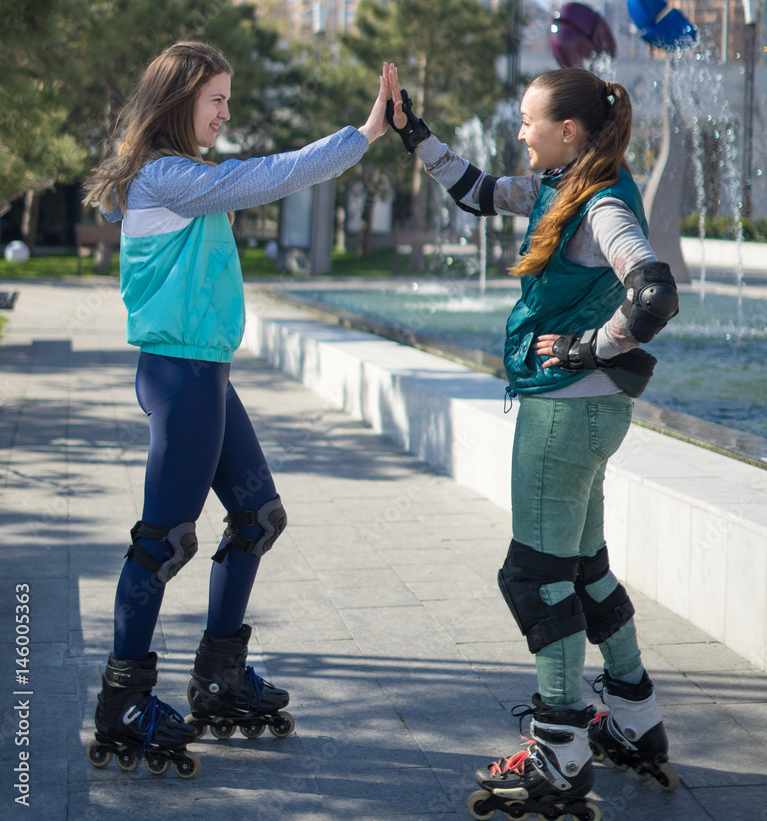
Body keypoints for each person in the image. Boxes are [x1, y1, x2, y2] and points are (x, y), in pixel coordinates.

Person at [82, 41, 392, 777]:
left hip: (204, 376)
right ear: (179, 100)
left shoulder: (181, 176)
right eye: (216, 98)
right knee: (163, 543)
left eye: (227, 98)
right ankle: (123, 702)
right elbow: (274, 174)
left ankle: (218, 678)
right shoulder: (167, 177)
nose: (226, 112)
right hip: (180, 376)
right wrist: (364, 133)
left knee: (257, 519)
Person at [386, 66, 680, 817]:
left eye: (528, 120)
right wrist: (413, 134)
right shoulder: (558, 186)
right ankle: (635, 717)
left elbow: (653, 291)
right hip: (586, 414)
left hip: (564, 413)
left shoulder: (601, 201)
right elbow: (475, 190)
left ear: (568, 131)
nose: (519, 131)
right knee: (582, 569)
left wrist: (590, 347)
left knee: (535, 577)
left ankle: (558, 750)